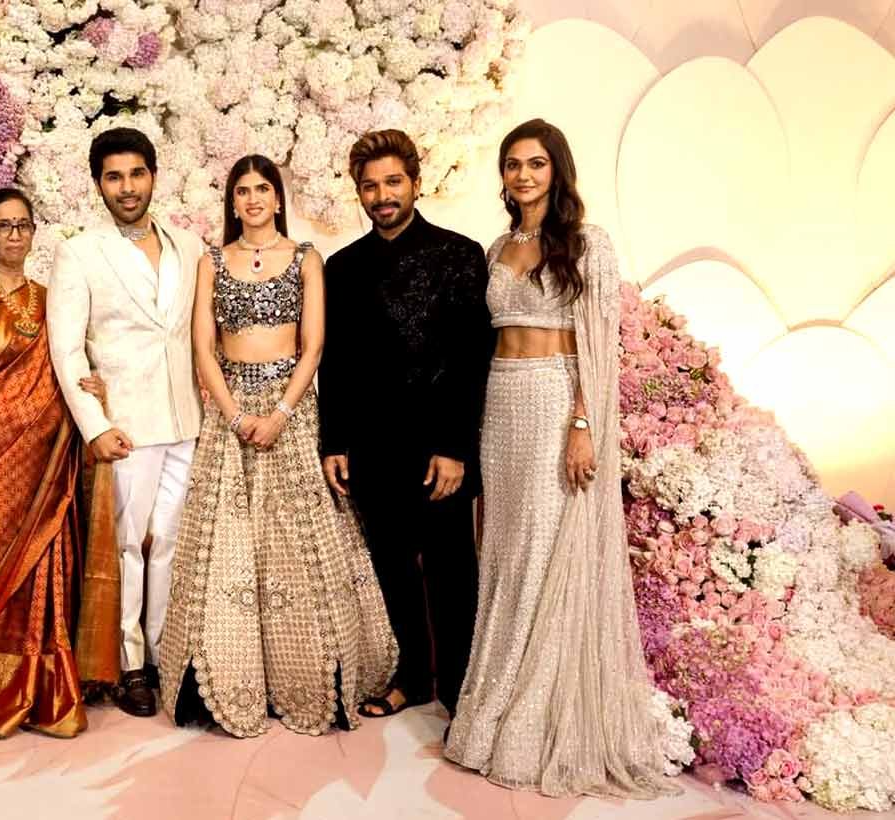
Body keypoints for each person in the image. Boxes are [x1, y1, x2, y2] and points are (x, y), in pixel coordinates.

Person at [443, 119, 676, 797]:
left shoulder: (586, 244)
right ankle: (492, 706)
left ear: (557, 170)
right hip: (501, 405)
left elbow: (599, 345)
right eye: (513, 164)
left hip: (553, 401)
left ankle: (537, 718)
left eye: (536, 164)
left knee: (548, 550)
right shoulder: (498, 247)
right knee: (506, 553)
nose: (523, 175)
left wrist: (583, 424)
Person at [157, 155, 397, 738]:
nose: (253, 199)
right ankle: (230, 676)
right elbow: (203, 347)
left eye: (262, 188)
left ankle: (304, 676)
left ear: (277, 197)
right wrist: (237, 414)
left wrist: (281, 413)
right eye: (242, 190)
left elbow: (314, 346)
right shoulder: (213, 261)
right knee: (229, 544)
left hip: (292, 409)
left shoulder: (306, 258)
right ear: (232, 201)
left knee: (296, 542)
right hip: (231, 411)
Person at [319, 130, 495, 729]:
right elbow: (335, 363)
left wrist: (454, 447)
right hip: (372, 446)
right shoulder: (343, 267)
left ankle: (462, 691)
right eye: (370, 186)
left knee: (451, 571)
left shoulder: (459, 254)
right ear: (359, 193)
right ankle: (413, 679)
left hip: (439, 446)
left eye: (393, 182)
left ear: (416, 183)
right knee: (392, 569)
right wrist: (334, 442)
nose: (382, 195)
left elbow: (472, 360)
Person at [47, 127, 205, 717]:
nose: (127, 187)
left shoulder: (189, 245)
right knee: (127, 547)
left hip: (186, 417)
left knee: (170, 542)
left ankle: (166, 654)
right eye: (114, 177)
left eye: (136, 174)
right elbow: (67, 349)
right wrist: (94, 424)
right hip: (125, 426)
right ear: (98, 185)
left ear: (153, 176)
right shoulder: (80, 252)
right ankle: (130, 661)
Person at [0, 188, 108, 738]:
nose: (15, 235)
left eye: (23, 225)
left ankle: (45, 694)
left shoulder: (49, 299)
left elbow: (69, 365)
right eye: (3, 226)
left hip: (45, 463)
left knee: (45, 572)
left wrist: (93, 385)